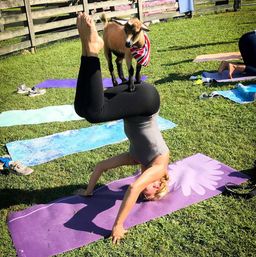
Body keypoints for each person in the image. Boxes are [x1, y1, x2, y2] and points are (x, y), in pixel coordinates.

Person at [74, 13, 170, 244]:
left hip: (136, 103)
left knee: (84, 108)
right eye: (152, 190)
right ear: (160, 183)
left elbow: (101, 167)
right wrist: (118, 225)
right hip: (146, 102)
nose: (146, 188)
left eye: (146, 195)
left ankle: (88, 49)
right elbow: (134, 189)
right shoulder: (159, 165)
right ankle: (95, 49)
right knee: (97, 113)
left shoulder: (136, 157)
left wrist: (88, 191)